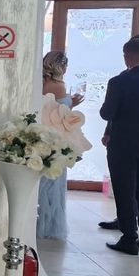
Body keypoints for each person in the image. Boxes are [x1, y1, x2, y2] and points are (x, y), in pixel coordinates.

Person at [100, 37, 139, 255]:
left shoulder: (119, 82)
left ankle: (129, 239)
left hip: (123, 145)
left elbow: (107, 113)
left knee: (125, 191)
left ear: (126, 57)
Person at [37, 51, 83, 239]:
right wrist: (72, 104)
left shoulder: (40, 82)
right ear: (61, 66)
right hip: (56, 137)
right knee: (53, 184)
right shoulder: (58, 86)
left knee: (41, 181)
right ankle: (49, 226)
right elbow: (60, 115)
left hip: (42, 135)